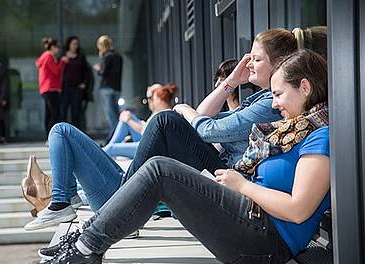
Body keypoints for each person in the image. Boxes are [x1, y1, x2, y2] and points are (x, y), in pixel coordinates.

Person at [32, 49, 330, 264]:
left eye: (278, 94)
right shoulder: (296, 129)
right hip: (251, 219)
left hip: (265, 240)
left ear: (304, 87)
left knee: (160, 170)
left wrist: (243, 185)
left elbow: (298, 209)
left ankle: (85, 249)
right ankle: (87, 240)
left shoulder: (320, 135)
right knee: (160, 161)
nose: (274, 104)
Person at [122, 27, 327, 184]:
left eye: (256, 59)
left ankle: (121, 200)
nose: (248, 64)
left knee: (164, 121)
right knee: (166, 123)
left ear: (280, 62)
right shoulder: (261, 98)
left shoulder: (269, 106)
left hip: (231, 176)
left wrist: (184, 108)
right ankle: (121, 199)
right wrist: (232, 82)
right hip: (224, 169)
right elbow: (202, 117)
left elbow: (207, 130)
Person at [22, 83, 175, 231]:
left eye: (149, 98)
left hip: (124, 201)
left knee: (60, 130)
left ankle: (58, 200)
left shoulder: (165, 117)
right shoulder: (168, 121)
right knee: (64, 135)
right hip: (126, 192)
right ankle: (60, 195)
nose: (147, 102)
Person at [103, 83, 176, 159]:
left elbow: (146, 131)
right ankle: (105, 151)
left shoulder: (164, 115)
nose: (150, 101)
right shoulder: (160, 112)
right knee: (127, 115)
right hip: (147, 143)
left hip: (150, 149)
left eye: (152, 98)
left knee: (112, 148)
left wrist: (128, 121)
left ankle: (99, 153)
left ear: (159, 99)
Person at [36, 37, 67, 139]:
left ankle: (48, 136)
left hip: (48, 88)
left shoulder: (46, 56)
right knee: (55, 114)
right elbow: (56, 71)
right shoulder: (48, 56)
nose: (58, 50)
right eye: (57, 47)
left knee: (50, 114)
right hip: (50, 88)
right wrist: (62, 62)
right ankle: (51, 136)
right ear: (52, 47)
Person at [93, 35, 123, 139]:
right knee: (116, 115)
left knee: (110, 116)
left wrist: (97, 68)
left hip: (106, 88)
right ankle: (118, 135)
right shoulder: (118, 56)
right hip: (117, 88)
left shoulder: (106, 56)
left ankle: (113, 138)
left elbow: (103, 72)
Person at [61, 36, 88, 130]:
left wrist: (84, 83)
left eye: (77, 44)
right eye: (73, 44)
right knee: (63, 111)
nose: (75, 46)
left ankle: (77, 134)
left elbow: (85, 71)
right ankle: (64, 133)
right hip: (65, 88)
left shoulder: (81, 56)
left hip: (77, 88)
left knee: (76, 113)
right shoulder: (63, 56)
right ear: (69, 44)